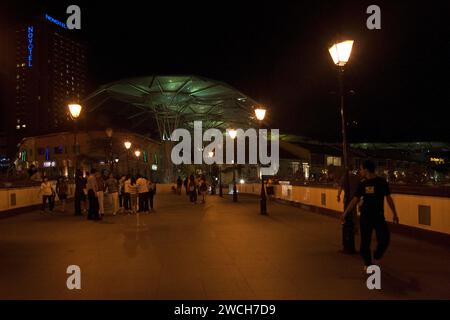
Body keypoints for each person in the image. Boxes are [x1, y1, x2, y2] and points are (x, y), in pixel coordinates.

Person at [341, 160, 399, 270]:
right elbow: (354, 200)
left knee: (384, 239)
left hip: (378, 216)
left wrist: (395, 213)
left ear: (366, 169)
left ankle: (377, 255)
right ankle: (367, 263)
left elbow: (388, 198)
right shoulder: (363, 184)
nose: (360, 171)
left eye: (361, 169)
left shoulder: (381, 182)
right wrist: (345, 213)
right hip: (365, 217)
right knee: (365, 242)